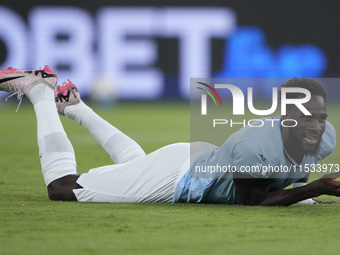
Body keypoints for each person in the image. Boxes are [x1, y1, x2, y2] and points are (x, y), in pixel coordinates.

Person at [0, 66, 339, 206]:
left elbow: (288, 175)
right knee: (61, 188)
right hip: (177, 177)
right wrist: (316, 190)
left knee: (137, 166)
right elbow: (255, 204)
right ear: (285, 116)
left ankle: (74, 107)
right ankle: (40, 92)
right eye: (306, 118)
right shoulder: (255, 148)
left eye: (320, 117)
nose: (316, 125)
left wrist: (306, 194)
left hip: (196, 158)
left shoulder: (326, 137)